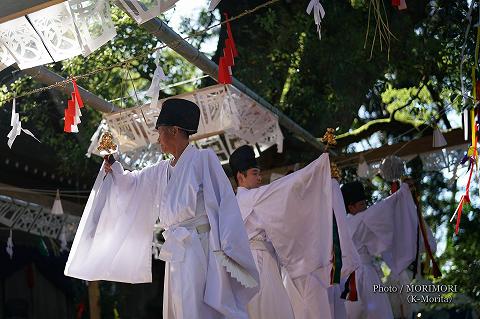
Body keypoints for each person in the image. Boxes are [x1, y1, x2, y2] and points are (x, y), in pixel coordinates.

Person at [65, 98, 259, 319]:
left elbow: (226, 205)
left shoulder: (203, 159)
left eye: (160, 132)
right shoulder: (161, 169)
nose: (158, 139)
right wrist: (115, 167)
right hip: (176, 249)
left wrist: (226, 250)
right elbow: (133, 183)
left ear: (175, 131)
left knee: (196, 305)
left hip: (199, 247)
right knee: (179, 304)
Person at [230, 145, 335, 319]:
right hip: (259, 263)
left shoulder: (234, 203)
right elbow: (287, 187)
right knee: (270, 309)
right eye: (255, 173)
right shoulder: (251, 198)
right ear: (240, 176)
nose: (260, 178)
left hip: (247, 264)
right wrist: (318, 166)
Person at [341, 181, 419, 319]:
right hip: (364, 275)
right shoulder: (360, 220)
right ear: (351, 207)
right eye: (362, 204)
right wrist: (403, 192)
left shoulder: (345, 224)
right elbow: (384, 208)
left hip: (349, 277)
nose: (366, 207)